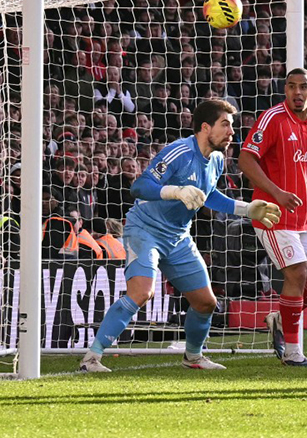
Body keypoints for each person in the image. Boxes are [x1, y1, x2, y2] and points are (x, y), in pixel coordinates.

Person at [79, 100, 281, 372]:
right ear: (205, 127)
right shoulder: (179, 152)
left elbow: (207, 195)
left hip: (178, 238)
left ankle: (193, 357)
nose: (231, 132)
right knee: (142, 292)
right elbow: (140, 187)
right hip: (145, 230)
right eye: (225, 125)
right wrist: (174, 191)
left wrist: (246, 209)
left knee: (207, 302)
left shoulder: (218, 160)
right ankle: (91, 358)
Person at [239, 69, 307, 367]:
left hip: (305, 214)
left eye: (303, 87)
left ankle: (280, 318)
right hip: (272, 213)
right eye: (291, 86)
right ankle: (293, 354)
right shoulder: (273, 119)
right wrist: (277, 192)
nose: (297, 92)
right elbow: (245, 159)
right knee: (297, 272)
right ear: (285, 89)